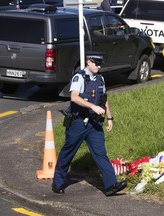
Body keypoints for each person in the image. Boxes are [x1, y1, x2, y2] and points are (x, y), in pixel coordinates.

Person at [52, 52, 127, 196]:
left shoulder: (100, 79)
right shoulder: (79, 77)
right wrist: (92, 106)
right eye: (96, 63)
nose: (99, 66)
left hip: (94, 124)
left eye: (100, 64)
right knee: (68, 152)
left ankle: (111, 186)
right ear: (88, 62)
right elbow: (74, 97)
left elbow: (104, 99)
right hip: (78, 122)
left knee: (101, 154)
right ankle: (58, 183)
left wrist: (110, 118)